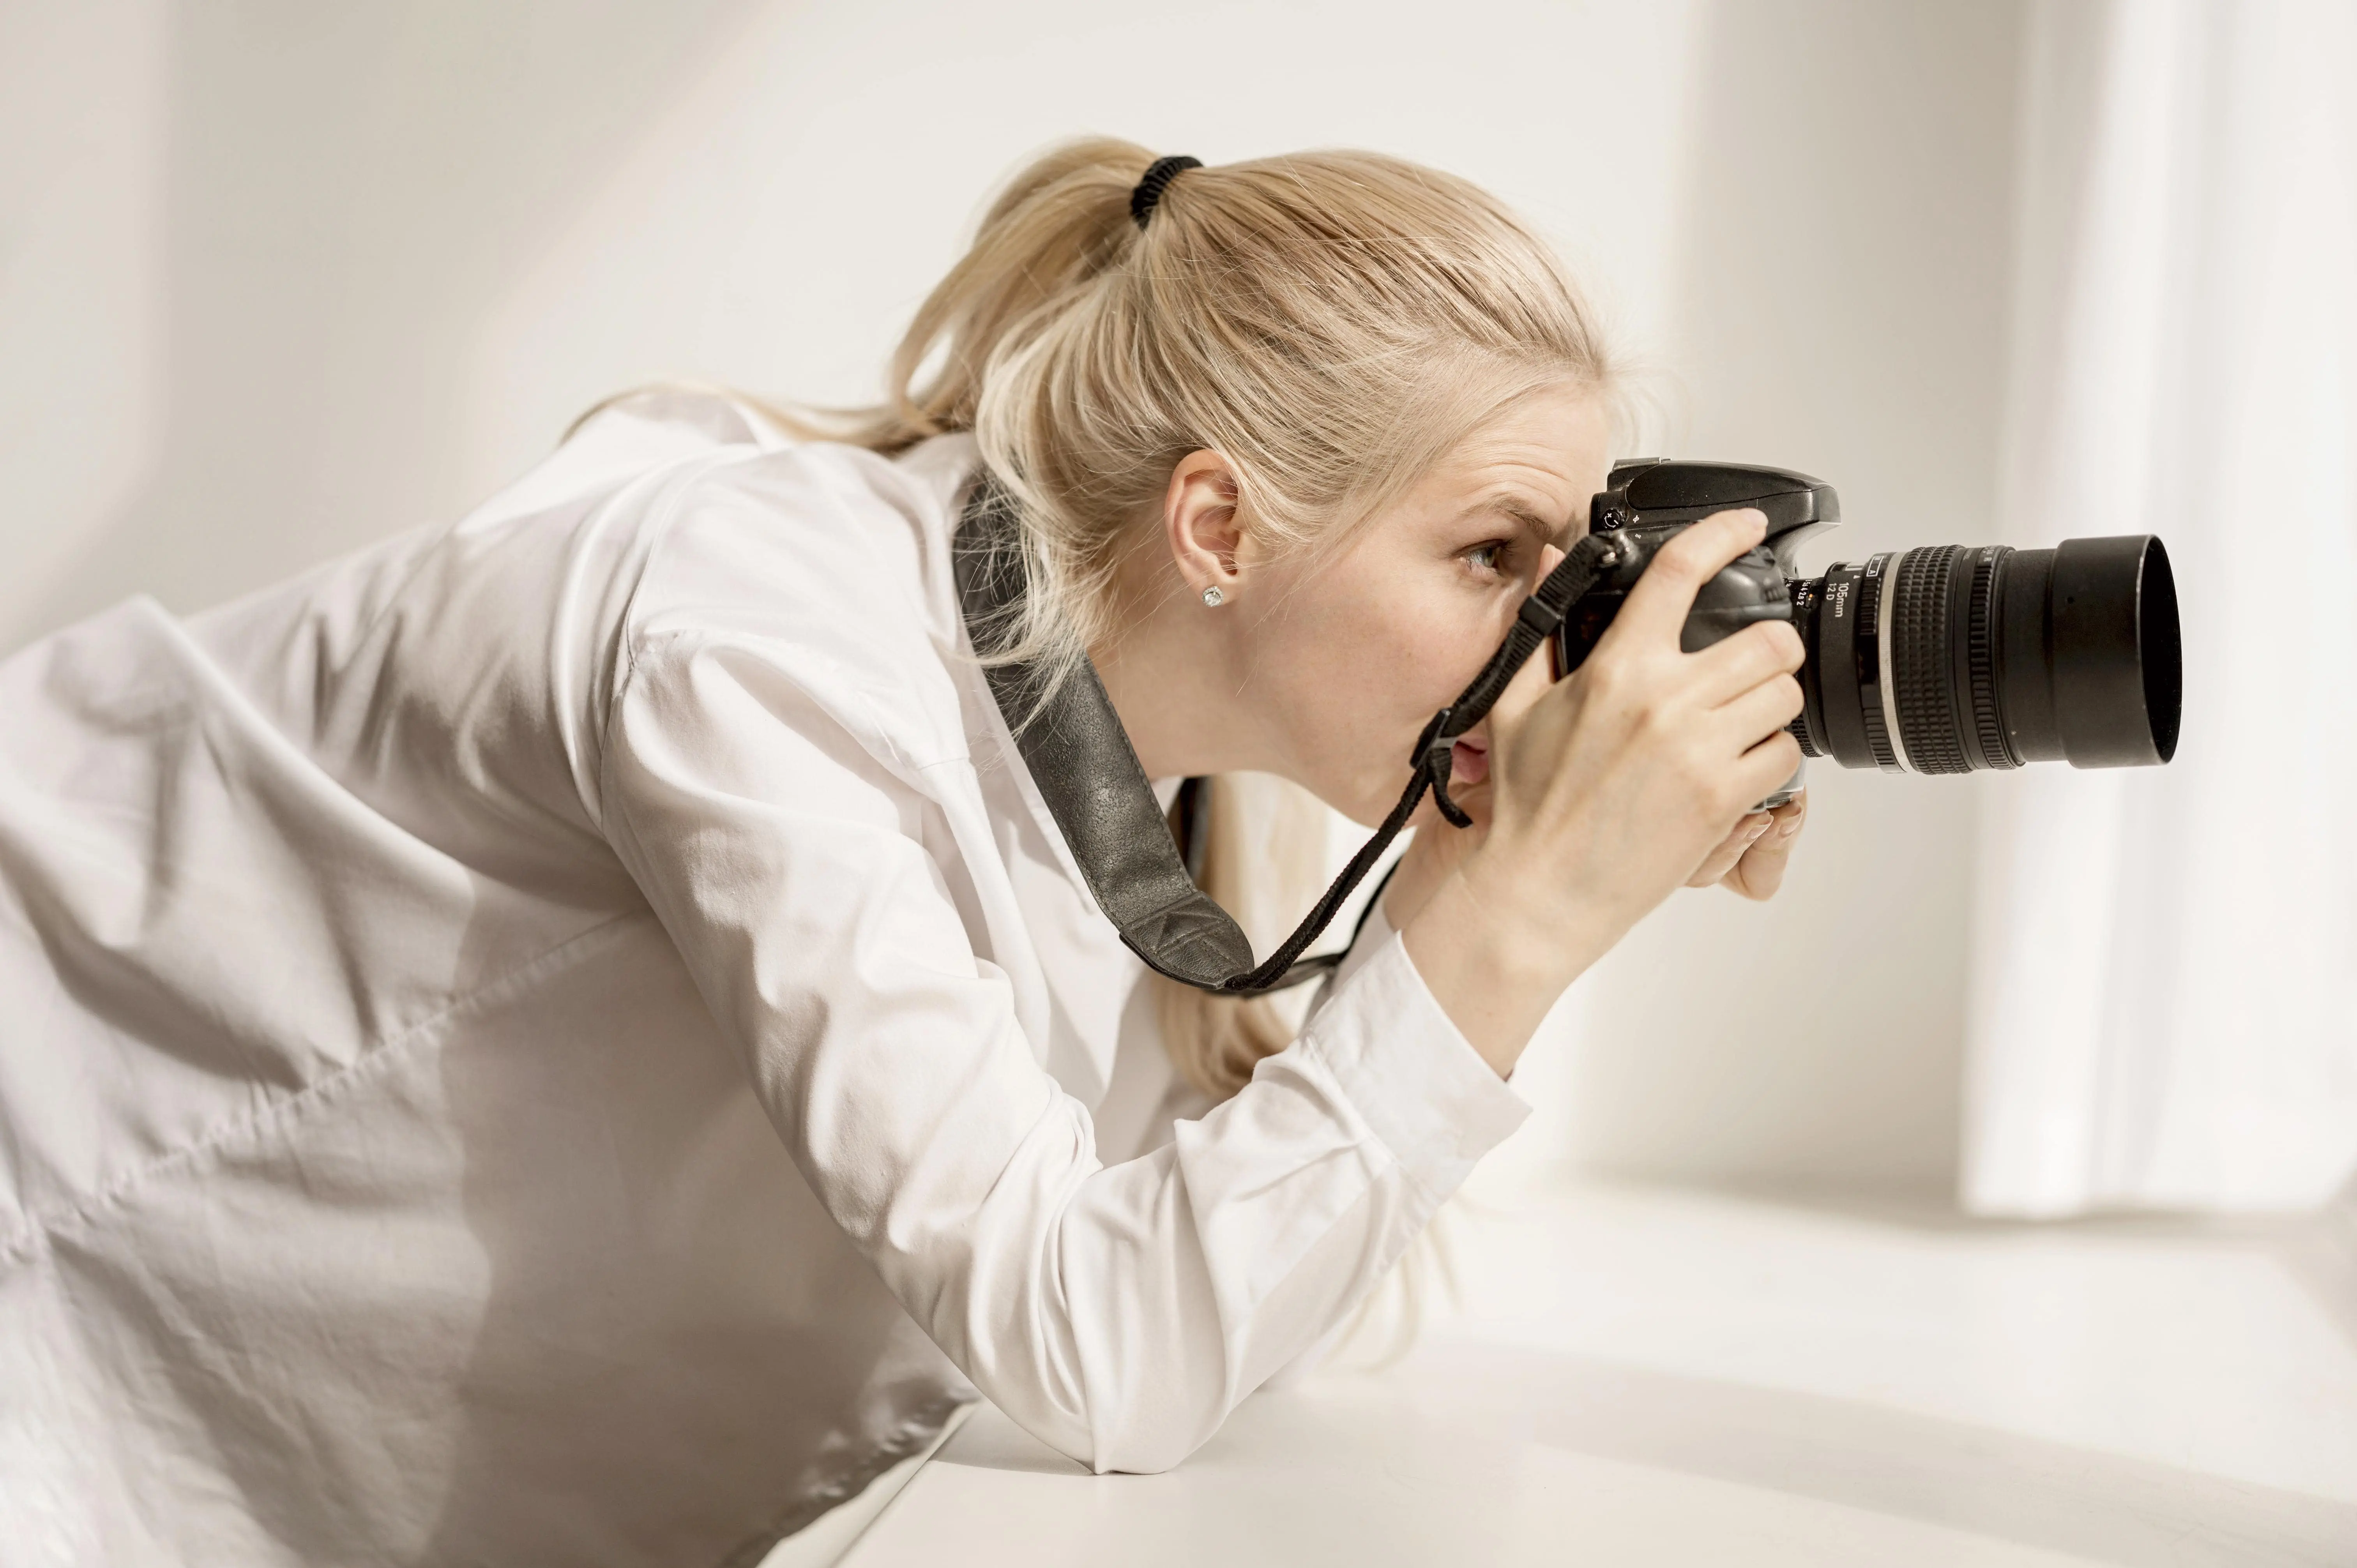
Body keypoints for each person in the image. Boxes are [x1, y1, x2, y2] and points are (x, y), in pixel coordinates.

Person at [0, 140, 1806, 1564]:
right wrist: (1518, 920)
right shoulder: (760, 640)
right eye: (1495, 556)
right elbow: (1103, 1351)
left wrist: (1526, 878)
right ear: (1220, 528)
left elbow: (1223, 1291)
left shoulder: (1147, 749)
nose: (1557, 633)